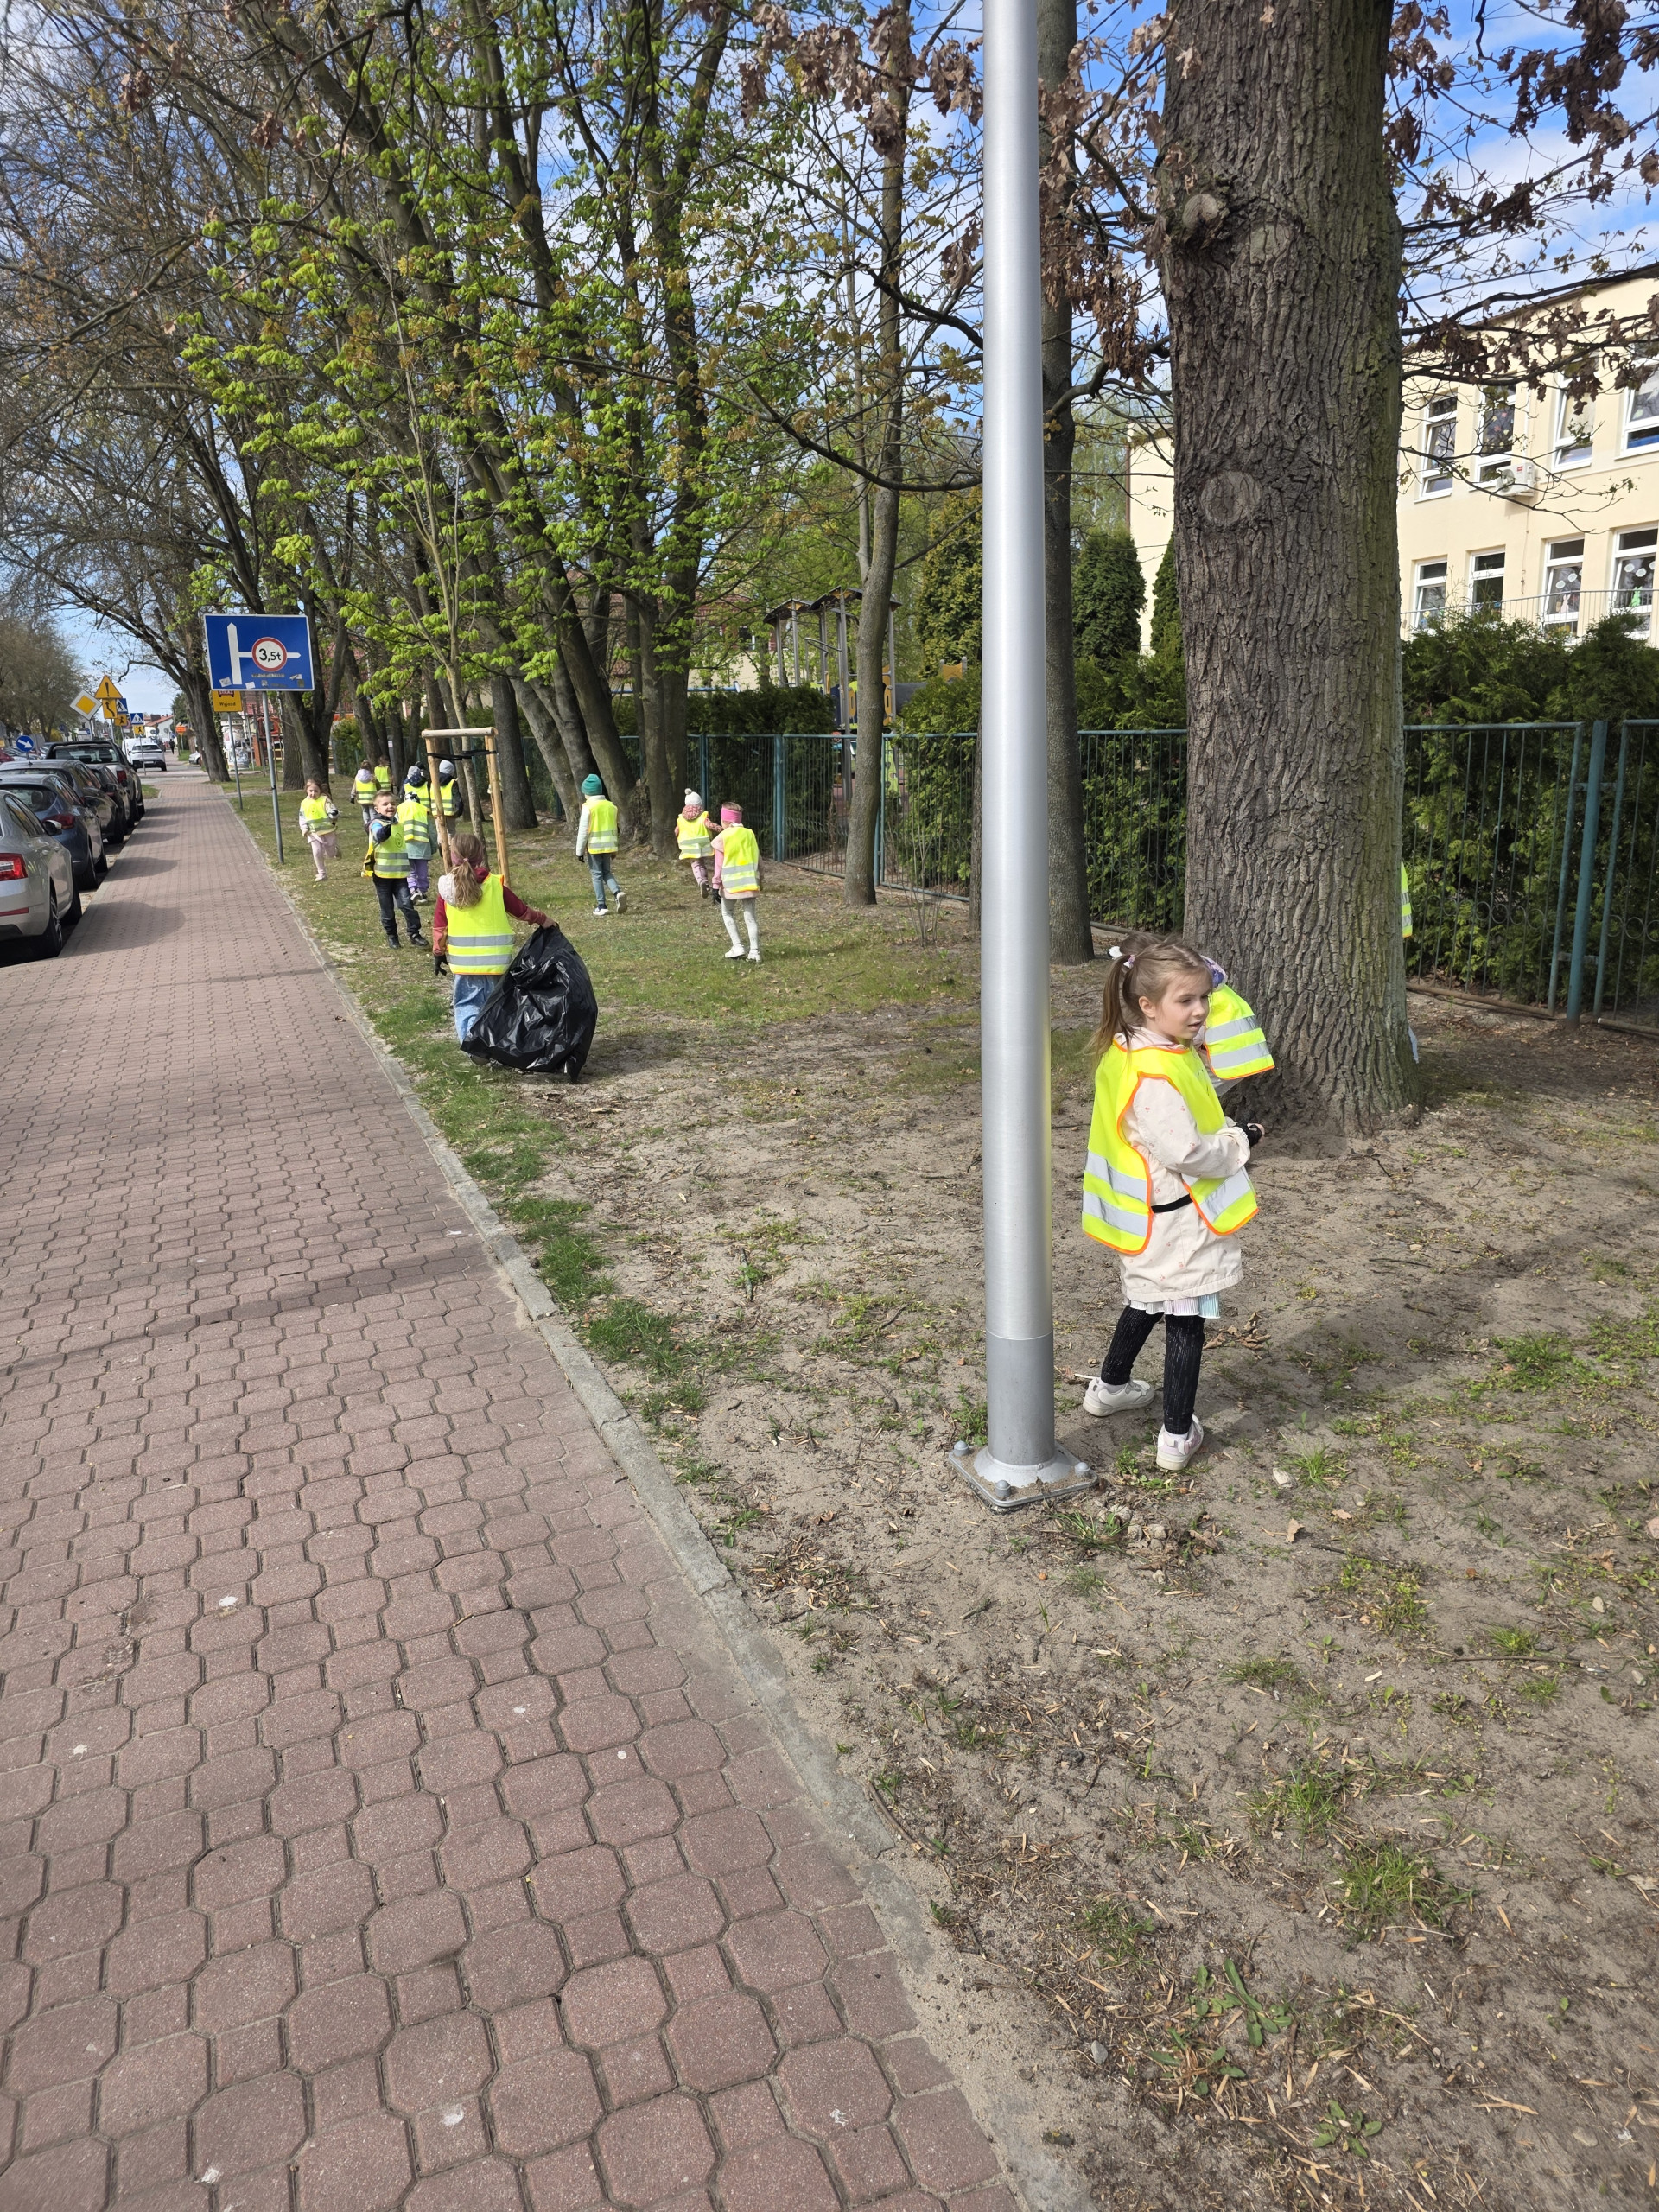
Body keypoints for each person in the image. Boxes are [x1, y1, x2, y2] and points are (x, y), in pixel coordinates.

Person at [1079, 935, 1262, 1473]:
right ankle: (1177, 1437)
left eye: (1204, 997)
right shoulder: (1156, 1073)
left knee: (1146, 1299)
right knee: (1186, 1318)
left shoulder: (1132, 1048)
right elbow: (1186, 1151)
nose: (1201, 1010)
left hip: (1148, 1213)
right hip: (1178, 1216)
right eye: (1186, 1000)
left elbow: (1183, 1105)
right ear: (1149, 1005)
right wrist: (1240, 1141)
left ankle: (1110, 1388)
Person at [432, 832, 550, 1043]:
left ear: (452, 856)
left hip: (464, 965)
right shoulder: (494, 885)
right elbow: (521, 911)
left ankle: (473, 1044)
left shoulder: (446, 888)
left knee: (467, 1004)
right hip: (495, 962)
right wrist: (543, 919)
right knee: (494, 1004)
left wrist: (438, 953)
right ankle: (493, 1044)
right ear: (480, 856)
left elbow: (440, 927)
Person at [365, 791, 425, 950]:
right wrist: (385, 831)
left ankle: (414, 934)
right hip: (382, 876)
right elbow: (378, 835)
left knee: (407, 905)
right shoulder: (376, 824)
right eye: (385, 804)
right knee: (387, 909)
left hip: (400, 875)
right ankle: (392, 936)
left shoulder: (399, 824)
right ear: (377, 809)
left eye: (392, 803)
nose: (390, 806)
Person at [711, 803, 760, 963]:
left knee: (727, 913)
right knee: (750, 917)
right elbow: (759, 859)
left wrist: (715, 886)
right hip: (750, 883)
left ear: (725, 820)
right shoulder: (749, 834)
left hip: (730, 885)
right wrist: (761, 879)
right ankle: (755, 952)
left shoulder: (723, 838)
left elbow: (718, 866)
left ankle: (737, 946)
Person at [575, 772, 625, 915]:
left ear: (588, 793)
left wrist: (579, 852)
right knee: (606, 872)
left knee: (596, 874)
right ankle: (617, 893)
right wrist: (615, 849)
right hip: (609, 846)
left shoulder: (588, 807)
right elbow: (615, 829)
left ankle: (601, 905)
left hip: (594, 847)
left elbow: (583, 831)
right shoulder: (611, 806)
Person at [397, 767, 434, 901]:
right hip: (423, 846)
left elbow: (395, 828)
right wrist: (433, 847)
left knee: (410, 870)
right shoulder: (423, 810)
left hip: (406, 845)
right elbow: (432, 832)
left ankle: (413, 890)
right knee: (422, 871)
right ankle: (423, 891)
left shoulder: (400, 809)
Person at [297, 779, 339, 881]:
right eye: (311, 791)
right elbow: (302, 817)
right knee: (317, 852)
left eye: (316, 791)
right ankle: (322, 874)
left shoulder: (325, 800)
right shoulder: (304, 803)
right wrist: (304, 828)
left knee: (331, 854)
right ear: (306, 790)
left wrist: (333, 814)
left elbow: (333, 811)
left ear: (320, 791)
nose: (313, 793)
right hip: (313, 832)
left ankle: (335, 851)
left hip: (327, 831)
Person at [676, 789, 715, 898]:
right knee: (701, 862)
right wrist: (722, 829)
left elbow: (676, 831)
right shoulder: (703, 816)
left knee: (695, 864)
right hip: (702, 845)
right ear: (700, 803)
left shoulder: (681, 818)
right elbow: (710, 826)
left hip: (688, 846)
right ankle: (706, 884)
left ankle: (700, 881)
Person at [353, 760, 378, 827]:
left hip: (362, 798)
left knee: (365, 811)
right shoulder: (373, 777)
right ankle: (373, 823)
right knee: (372, 811)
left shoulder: (357, 777)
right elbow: (379, 787)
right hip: (372, 798)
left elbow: (354, 787)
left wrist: (352, 795)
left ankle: (366, 822)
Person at [437, 759, 461, 830]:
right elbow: (457, 798)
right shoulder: (452, 782)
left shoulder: (434, 780)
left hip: (437, 812)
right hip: (450, 812)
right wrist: (459, 811)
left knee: (440, 832)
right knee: (451, 832)